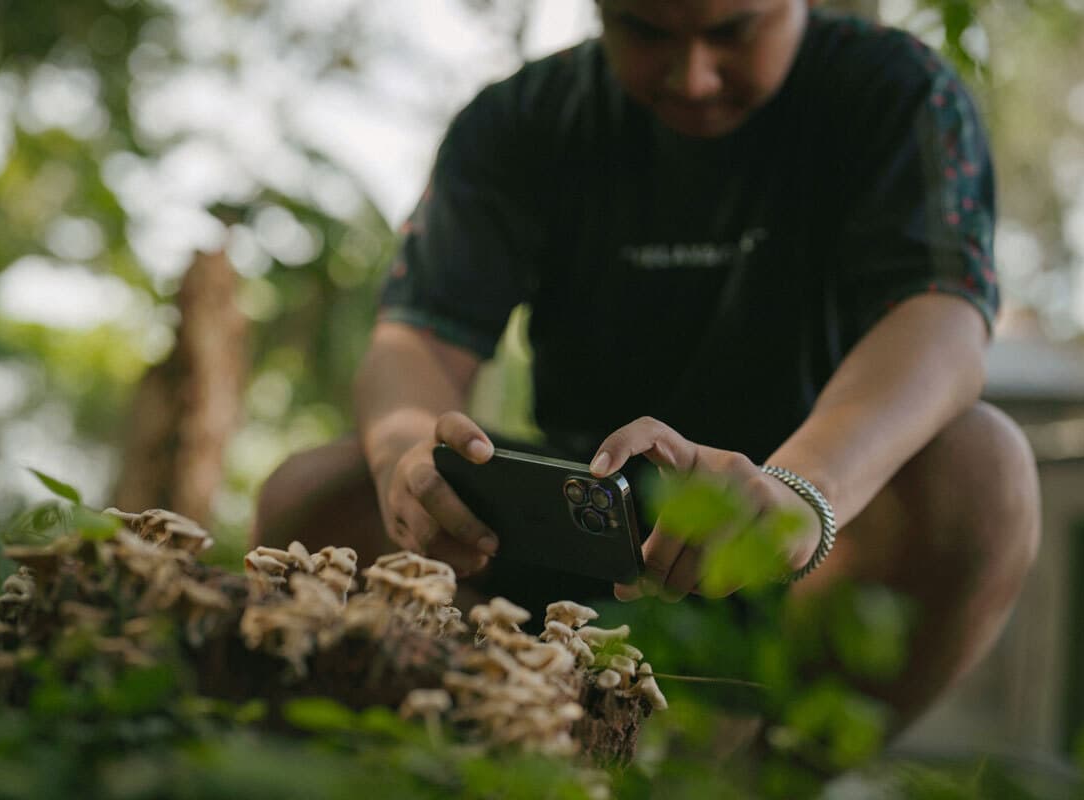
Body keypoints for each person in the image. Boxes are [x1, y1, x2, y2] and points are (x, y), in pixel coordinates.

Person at [255, 0, 1040, 734]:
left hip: (815, 544)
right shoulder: (521, 119)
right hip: (567, 537)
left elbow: (941, 320)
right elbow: (414, 343)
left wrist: (804, 492)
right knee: (312, 502)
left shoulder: (897, 94)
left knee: (985, 471)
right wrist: (408, 468)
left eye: (733, 32)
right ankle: (488, 740)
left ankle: (772, 775)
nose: (693, 77)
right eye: (647, 33)